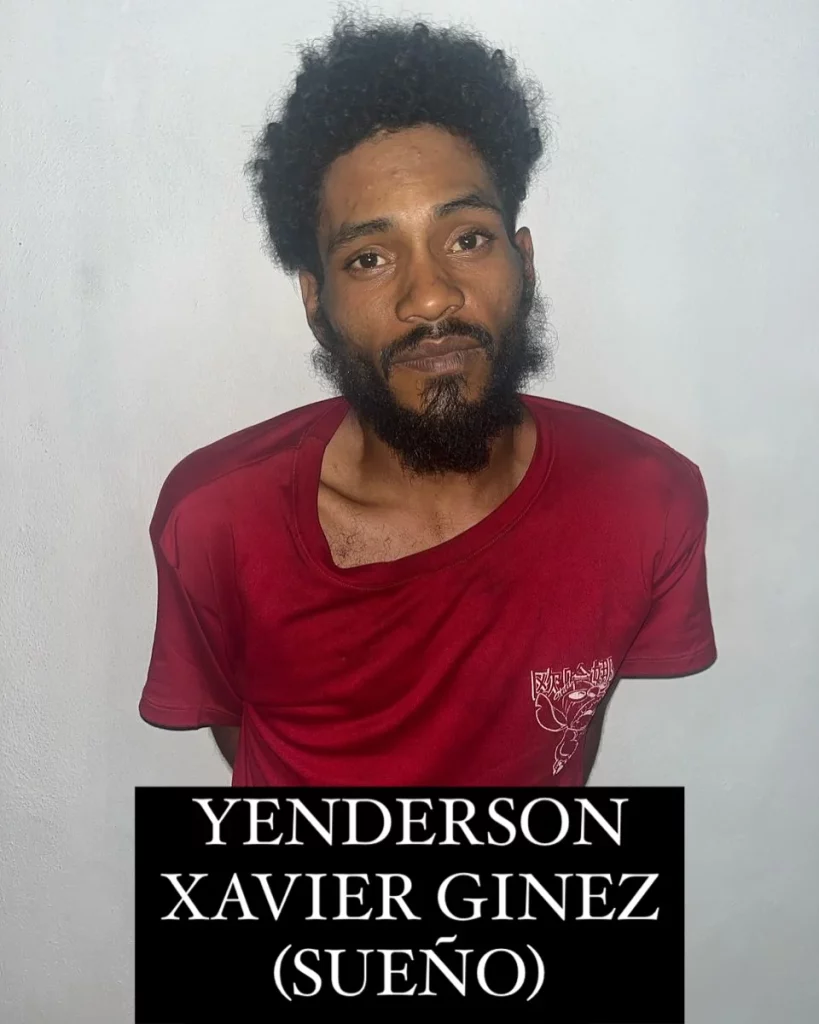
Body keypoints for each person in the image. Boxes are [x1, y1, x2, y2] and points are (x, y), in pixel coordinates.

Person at [138, 14, 716, 786]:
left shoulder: (646, 499)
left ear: (523, 260)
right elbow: (236, 730)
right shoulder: (217, 518)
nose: (431, 297)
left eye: (467, 238)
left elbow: (567, 725)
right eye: (369, 258)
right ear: (316, 302)